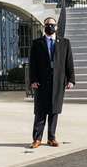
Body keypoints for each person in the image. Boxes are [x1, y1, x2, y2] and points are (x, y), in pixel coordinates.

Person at [29, 16, 75, 148]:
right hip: (41, 83)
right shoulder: (37, 43)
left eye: (52, 25)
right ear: (44, 26)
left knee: (54, 111)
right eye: (48, 25)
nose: (50, 27)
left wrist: (71, 79)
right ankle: (37, 139)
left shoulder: (65, 43)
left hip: (58, 82)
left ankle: (51, 138)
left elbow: (69, 63)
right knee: (40, 111)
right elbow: (32, 64)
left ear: (56, 27)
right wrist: (33, 80)